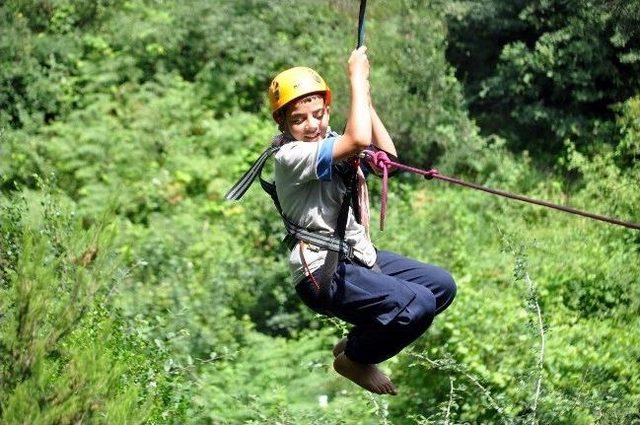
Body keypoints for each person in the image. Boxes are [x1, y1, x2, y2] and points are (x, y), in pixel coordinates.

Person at [265, 46, 456, 395]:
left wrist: (365, 98)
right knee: (418, 305)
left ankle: (356, 344)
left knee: (440, 286)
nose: (312, 125)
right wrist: (356, 76)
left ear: (328, 110)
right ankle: (354, 359)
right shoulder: (291, 156)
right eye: (299, 119)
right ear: (283, 123)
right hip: (322, 271)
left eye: (319, 114)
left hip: (356, 257)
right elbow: (358, 140)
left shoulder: (333, 141)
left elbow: (388, 160)